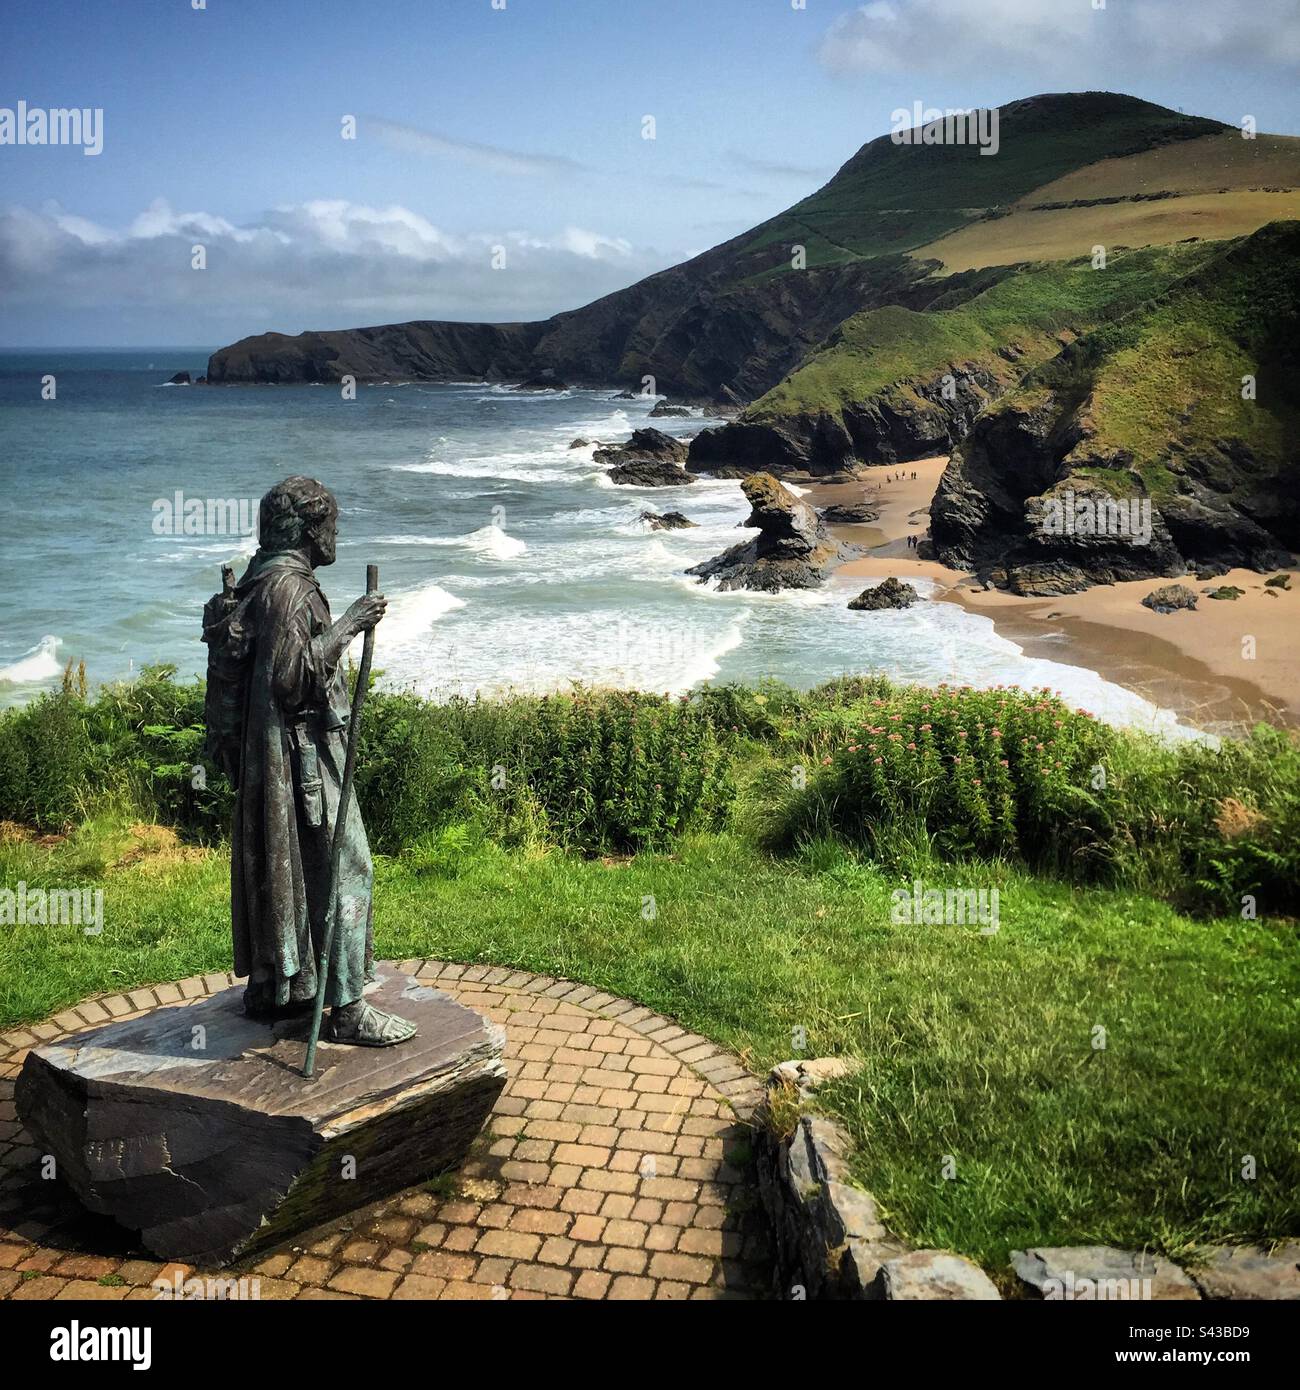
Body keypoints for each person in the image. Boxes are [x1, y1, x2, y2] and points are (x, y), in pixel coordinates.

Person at [206, 476, 416, 1047]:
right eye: (331, 522)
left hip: (271, 759)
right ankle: (347, 1008)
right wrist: (352, 622)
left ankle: (282, 989)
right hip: (302, 761)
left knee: (292, 868)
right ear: (305, 528)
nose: (337, 533)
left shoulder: (257, 580)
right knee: (350, 869)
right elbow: (290, 678)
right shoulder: (292, 591)